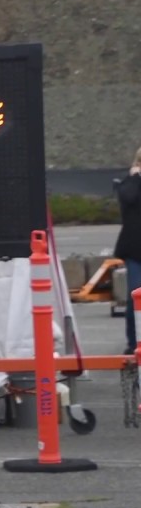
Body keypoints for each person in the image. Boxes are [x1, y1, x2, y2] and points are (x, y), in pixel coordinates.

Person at [113, 147, 141, 354]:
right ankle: (133, 343)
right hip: (135, 250)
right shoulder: (129, 185)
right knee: (135, 297)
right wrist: (135, 178)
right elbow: (127, 198)